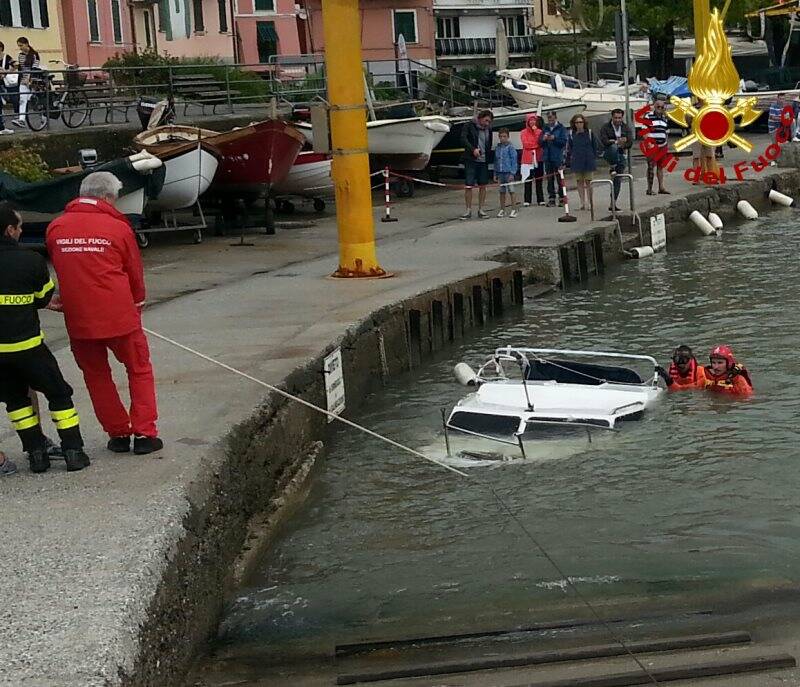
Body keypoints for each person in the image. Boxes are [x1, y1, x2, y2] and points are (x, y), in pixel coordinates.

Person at [46, 172, 164, 455]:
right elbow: (134, 273)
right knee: (139, 369)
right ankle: (144, 433)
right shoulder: (118, 228)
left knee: (96, 375)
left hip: (79, 317)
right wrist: (138, 303)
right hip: (119, 315)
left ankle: (118, 433)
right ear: (110, 197)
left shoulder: (56, 228)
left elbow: (61, 269)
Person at [0, 202, 90, 472]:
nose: (20, 231)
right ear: (9, 230)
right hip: (29, 347)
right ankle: (73, 450)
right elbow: (43, 297)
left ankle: (36, 454)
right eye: (19, 227)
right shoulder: (30, 260)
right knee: (59, 394)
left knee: (16, 402)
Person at [460, 110, 494, 220]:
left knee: (483, 185)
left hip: (483, 160)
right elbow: (463, 139)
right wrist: (473, 149)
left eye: (489, 121)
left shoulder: (489, 129)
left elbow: (489, 144)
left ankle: (481, 209)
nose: (487, 123)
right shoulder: (469, 125)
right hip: (471, 159)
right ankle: (468, 210)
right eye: (486, 120)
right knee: (469, 184)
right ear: (480, 118)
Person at [599, 108, 633, 209]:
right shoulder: (605, 127)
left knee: (617, 180)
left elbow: (630, 142)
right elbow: (604, 141)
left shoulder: (626, 128)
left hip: (621, 154)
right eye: (616, 118)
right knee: (613, 147)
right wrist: (616, 142)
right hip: (609, 153)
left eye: (619, 118)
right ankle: (612, 167)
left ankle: (613, 203)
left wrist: (622, 144)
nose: (618, 120)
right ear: (612, 117)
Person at [565, 113, 599, 211]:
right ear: (574, 124)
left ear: (584, 123)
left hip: (588, 159)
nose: (579, 124)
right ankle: (582, 203)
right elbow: (569, 148)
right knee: (579, 181)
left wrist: (593, 157)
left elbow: (594, 146)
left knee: (589, 181)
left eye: (580, 122)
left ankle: (590, 202)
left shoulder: (589, 132)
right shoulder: (571, 134)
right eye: (577, 122)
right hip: (577, 160)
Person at [11, 37, 40, 129]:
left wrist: (29, 78)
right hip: (23, 80)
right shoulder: (21, 55)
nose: (20, 47)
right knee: (22, 100)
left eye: (21, 45)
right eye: (19, 46)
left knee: (33, 99)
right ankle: (22, 120)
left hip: (32, 80)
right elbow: (22, 68)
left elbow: (34, 68)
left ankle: (44, 115)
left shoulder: (35, 55)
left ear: (27, 44)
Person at [643, 100, 669, 195]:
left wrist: (666, 144)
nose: (660, 109)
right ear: (654, 106)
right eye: (658, 107)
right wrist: (648, 144)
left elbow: (666, 132)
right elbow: (644, 131)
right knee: (651, 167)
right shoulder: (648, 116)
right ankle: (649, 189)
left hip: (662, 146)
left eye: (662, 107)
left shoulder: (664, 118)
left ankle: (661, 187)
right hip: (652, 146)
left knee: (660, 167)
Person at [541, 110, 567, 207]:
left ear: (555, 117)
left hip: (557, 156)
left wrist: (554, 138)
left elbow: (564, 141)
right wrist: (543, 139)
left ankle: (561, 198)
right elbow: (540, 142)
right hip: (547, 156)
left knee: (560, 178)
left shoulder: (561, 128)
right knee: (549, 178)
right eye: (548, 118)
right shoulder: (545, 128)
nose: (550, 120)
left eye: (551, 118)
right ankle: (551, 198)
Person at [520, 113, 544, 207]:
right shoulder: (523, 132)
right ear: (527, 121)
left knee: (539, 179)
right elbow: (526, 144)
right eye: (530, 120)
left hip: (538, 157)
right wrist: (536, 145)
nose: (532, 122)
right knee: (527, 179)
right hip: (527, 158)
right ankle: (527, 200)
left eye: (534, 120)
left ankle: (540, 199)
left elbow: (541, 142)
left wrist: (535, 135)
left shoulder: (539, 131)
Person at [493, 127, 518, 218]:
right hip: (500, 172)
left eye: (504, 136)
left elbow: (514, 160)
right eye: (501, 136)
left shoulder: (511, 147)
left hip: (508, 172)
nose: (502, 138)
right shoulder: (497, 148)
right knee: (502, 191)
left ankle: (514, 209)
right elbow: (495, 161)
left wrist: (512, 173)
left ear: (508, 137)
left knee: (511, 190)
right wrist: (495, 173)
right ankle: (502, 209)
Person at [0, 42, 16, 135]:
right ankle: (1, 127)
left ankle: (1, 126)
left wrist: (6, 72)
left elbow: (16, 65)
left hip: (4, 83)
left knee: (3, 102)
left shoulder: (7, 57)